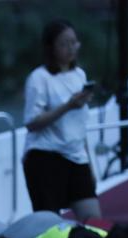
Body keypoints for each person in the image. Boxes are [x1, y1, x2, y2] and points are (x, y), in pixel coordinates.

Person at [23, 19, 100, 220]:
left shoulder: (79, 75)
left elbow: (80, 127)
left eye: (74, 42)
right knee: (49, 221)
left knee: (94, 219)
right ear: (51, 47)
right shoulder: (39, 78)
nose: (71, 48)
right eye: (64, 44)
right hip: (46, 156)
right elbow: (32, 122)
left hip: (76, 156)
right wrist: (67, 106)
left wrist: (89, 164)